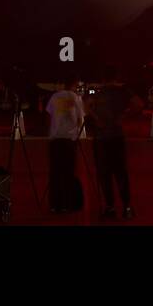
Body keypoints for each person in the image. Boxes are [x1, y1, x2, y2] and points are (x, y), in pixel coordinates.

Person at [86, 68, 136, 220]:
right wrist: (124, 115)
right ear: (116, 77)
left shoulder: (98, 92)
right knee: (121, 173)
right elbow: (139, 104)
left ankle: (110, 207)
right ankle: (127, 207)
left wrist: (96, 119)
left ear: (103, 78)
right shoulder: (123, 91)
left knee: (104, 174)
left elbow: (86, 106)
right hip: (116, 136)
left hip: (102, 137)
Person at [45, 80, 84, 214]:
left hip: (55, 139)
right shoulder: (75, 98)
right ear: (74, 85)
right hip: (69, 140)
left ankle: (55, 204)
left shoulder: (55, 96)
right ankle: (68, 203)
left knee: (55, 173)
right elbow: (80, 118)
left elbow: (49, 115)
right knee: (68, 172)